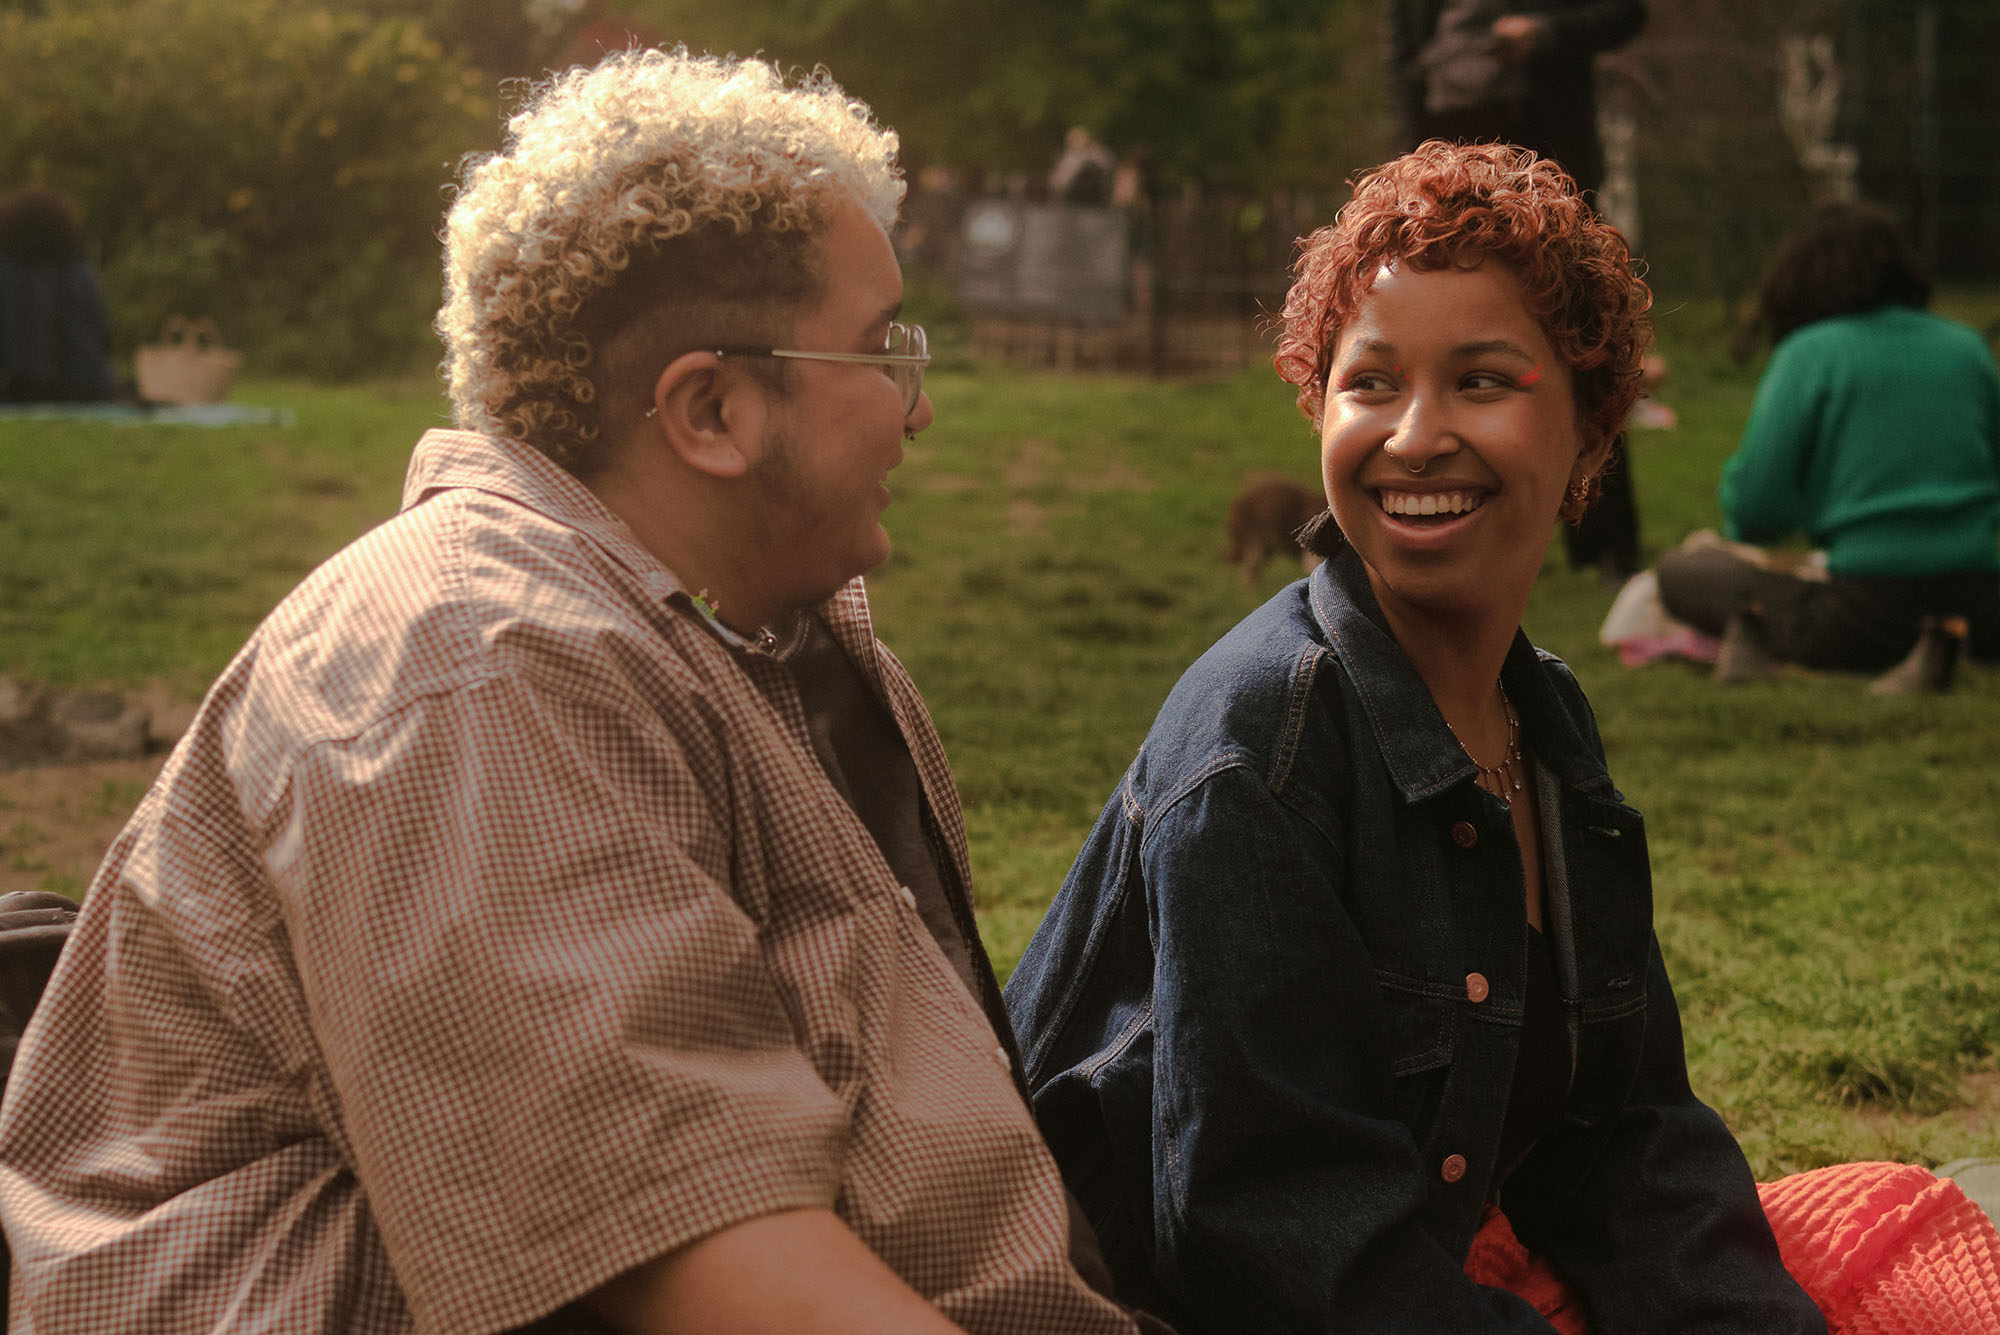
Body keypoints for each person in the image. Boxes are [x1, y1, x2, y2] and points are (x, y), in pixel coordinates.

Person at [0, 50, 1157, 1335]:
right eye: (882, 353)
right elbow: (703, 1267)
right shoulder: (471, 670)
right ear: (711, 409)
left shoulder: (747, 647)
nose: (920, 407)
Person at [1003, 141, 1827, 1332]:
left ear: (1592, 421)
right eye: (1370, 384)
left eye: (1481, 381)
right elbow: (1269, 1241)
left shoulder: (1539, 721)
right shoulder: (1262, 743)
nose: (1412, 437)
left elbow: (1621, 1141)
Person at [1655, 199, 2000, 688]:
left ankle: (1899, 652)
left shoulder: (1811, 352)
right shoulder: (1967, 347)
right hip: (1982, 604)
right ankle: (1942, 644)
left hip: (1862, 613)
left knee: (1681, 571)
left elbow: (1756, 512)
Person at [1388, 0, 1647, 582]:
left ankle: (1604, 541)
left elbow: (1626, 13)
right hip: (1447, 161)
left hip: (1552, 162)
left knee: (1582, 344)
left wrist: (1546, 33)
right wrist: (1408, 171)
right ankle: (1459, 527)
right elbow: (1404, 57)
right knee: (1450, 346)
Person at [0, 185, 118, 404]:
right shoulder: (79, 274)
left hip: (14, 393)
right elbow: (99, 342)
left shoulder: (6, 274)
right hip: (83, 393)